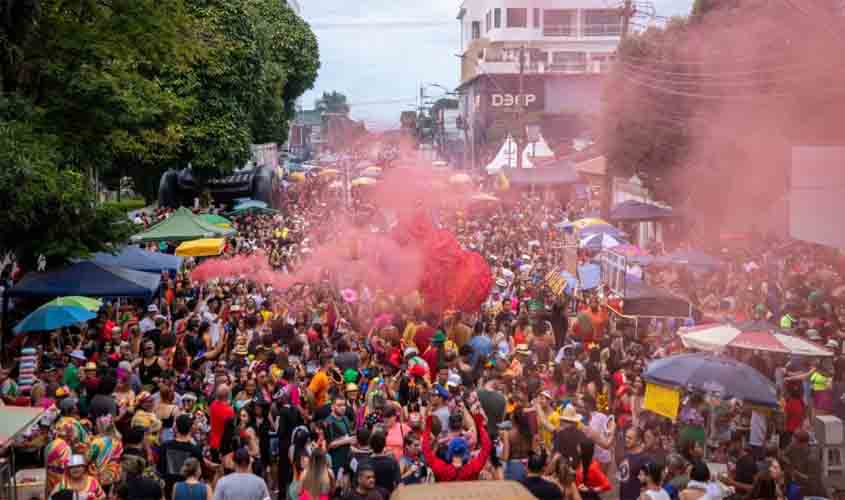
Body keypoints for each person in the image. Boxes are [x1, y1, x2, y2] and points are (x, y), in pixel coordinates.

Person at [421, 398, 491, 482]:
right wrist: (479, 423)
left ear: (449, 451)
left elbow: (426, 451)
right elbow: (487, 446)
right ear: (465, 450)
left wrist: (428, 425)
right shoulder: (473, 468)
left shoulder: (441, 469)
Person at [159, 414, 204, 499]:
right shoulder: (195, 450)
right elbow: (199, 473)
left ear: (176, 428)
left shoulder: (165, 446)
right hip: (187, 491)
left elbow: (160, 469)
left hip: (168, 489)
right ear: (190, 429)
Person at [619, 428, 648, 500]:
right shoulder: (625, 455)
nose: (626, 439)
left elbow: (647, 483)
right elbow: (622, 478)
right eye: (626, 437)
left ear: (638, 441)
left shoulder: (644, 459)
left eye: (630, 438)